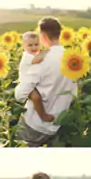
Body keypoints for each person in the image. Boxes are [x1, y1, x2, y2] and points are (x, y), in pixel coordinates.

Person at [13, 16, 77, 146]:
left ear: (42, 36)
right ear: (59, 33)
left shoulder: (42, 60)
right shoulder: (73, 59)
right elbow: (74, 92)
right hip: (57, 124)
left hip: (33, 125)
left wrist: (32, 92)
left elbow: (19, 95)